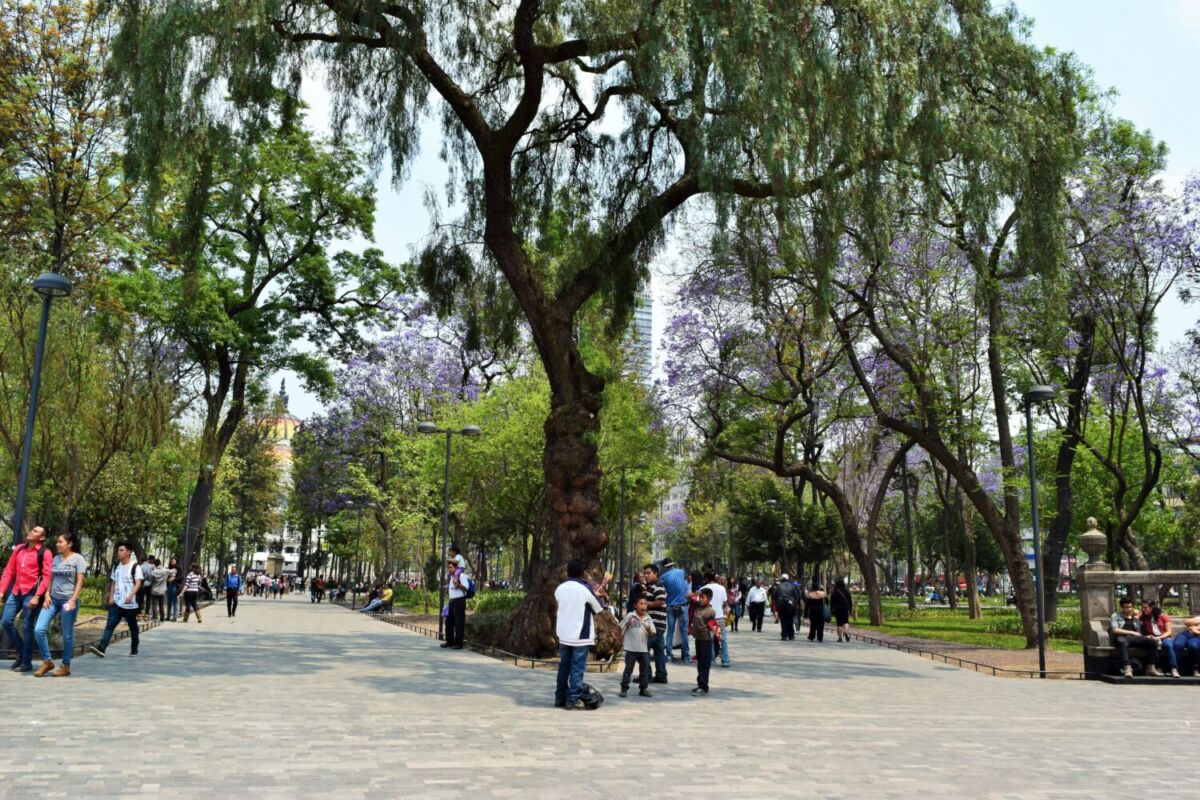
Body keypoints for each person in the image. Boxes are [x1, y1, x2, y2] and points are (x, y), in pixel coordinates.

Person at [32, 532, 87, 677]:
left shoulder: (78, 559)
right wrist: (46, 594)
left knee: (67, 634)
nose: (57, 544)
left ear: (69, 544)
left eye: (60, 542)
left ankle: (65, 665)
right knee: (39, 629)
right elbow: (50, 578)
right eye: (57, 542)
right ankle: (47, 661)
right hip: (53, 600)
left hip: (68, 601)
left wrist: (73, 599)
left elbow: (80, 581)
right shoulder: (56, 558)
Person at [553, 559, 604, 710]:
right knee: (577, 668)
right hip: (581, 634)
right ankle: (572, 699)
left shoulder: (560, 588)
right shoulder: (584, 588)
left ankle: (560, 697)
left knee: (564, 666)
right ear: (583, 573)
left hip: (564, 634)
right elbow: (598, 607)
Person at [1, 524, 53, 673]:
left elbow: (47, 576)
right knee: (6, 621)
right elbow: (9, 571)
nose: (31, 531)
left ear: (41, 537)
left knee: (27, 627)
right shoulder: (19, 549)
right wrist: (1, 591)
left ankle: (26, 662)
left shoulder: (45, 552)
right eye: (32, 529)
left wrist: (37, 596)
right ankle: (21, 651)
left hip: (31, 593)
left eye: (35, 531)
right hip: (16, 591)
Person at [89, 541, 142, 658]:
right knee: (110, 626)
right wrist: (111, 597)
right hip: (116, 603)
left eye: (121, 550)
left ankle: (134, 649)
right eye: (118, 550)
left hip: (130, 605)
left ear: (128, 552)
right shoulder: (116, 566)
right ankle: (101, 648)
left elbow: (138, 583)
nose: (118, 552)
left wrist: (131, 596)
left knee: (133, 628)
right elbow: (113, 582)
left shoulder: (135, 567)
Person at [1109, 596, 1159, 678]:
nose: (1129, 609)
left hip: (1135, 638)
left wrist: (1146, 637)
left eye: (1130, 607)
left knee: (1152, 642)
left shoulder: (1135, 617)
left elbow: (1139, 632)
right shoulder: (1116, 615)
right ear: (1121, 607)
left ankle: (1150, 668)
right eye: (1126, 607)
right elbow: (1115, 630)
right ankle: (1127, 668)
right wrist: (1131, 632)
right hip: (1122, 637)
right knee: (1122, 642)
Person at [618, 594, 656, 698]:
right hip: (631, 648)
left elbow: (652, 634)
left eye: (645, 604)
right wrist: (620, 640)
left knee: (644, 671)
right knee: (628, 670)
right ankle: (624, 688)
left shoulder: (648, 618)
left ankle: (643, 689)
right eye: (641, 603)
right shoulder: (630, 616)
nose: (643, 606)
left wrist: (649, 631)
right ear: (635, 605)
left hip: (643, 649)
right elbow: (620, 627)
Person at [639, 564, 669, 684]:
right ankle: (661, 675)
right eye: (645, 573)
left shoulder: (658, 586)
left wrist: (646, 604)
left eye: (648, 573)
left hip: (654, 624)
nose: (646, 575)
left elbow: (661, 601)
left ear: (656, 573)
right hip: (656, 624)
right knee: (659, 651)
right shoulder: (649, 587)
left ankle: (646, 675)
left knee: (642, 648)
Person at [659, 558, 691, 664]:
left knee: (670, 632)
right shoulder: (681, 572)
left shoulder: (663, 577)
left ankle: (669, 655)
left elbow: (663, 591)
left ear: (664, 567)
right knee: (684, 632)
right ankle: (686, 656)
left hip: (671, 606)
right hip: (682, 605)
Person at [1141, 598, 1180, 678]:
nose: (1143, 609)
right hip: (1152, 638)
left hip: (1164, 637)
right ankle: (1157, 667)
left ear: (1151, 608)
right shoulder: (1144, 616)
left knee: (1168, 645)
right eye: (1143, 607)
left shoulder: (1163, 616)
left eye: (1145, 607)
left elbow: (1169, 632)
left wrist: (1159, 637)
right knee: (1152, 645)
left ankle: (1174, 669)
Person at [690, 587, 717, 696]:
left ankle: (704, 687)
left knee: (704, 665)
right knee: (700, 663)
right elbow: (687, 597)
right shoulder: (698, 606)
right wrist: (696, 593)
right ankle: (700, 684)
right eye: (700, 597)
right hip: (698, 639)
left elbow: (713, 628)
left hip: (706, 641)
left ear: (709, 599)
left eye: (703, 597)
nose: (700, 599)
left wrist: (714, 638)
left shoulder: (710, 611)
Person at [701, 571, 731, 667]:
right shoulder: (721, 588)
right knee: (722, 639)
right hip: (719, 618)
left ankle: (711, 659)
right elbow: (725, 603)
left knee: (710, 640)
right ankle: (725, 660)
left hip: (709, 619)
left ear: (706, 579)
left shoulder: (703, 589)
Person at [442, 558, 470, 649]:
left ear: (455, 568)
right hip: (452, 602)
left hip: (459, 602)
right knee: (449, 622)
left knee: (459, 623)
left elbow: (466, 588)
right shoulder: (452, 577)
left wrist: (457, 584)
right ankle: (449, 642)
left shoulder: (461, 576)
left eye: (450, 567)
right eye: (448, 568)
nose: (449, 569)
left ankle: (459, 643)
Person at [773, 574, 798, 640]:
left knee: (783, 621)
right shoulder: (792, 586)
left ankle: (784, 636)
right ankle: (791, 635)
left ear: (782, 579)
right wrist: (794, 605)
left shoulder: (778, 586)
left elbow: (775, 596)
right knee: (790, 621)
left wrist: (776, 605)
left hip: (781, 606)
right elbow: (796, 597)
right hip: (790, 606)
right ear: (787, 579)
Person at [831, 577, 853, 642]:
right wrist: (850, 609)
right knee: (846, 621)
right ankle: (845, 632)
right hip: (845, 608)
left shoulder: (834, 592)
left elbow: (832, 602)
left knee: (839, 623)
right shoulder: (847, 591)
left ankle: (840, 638)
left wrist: (831, 609)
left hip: (837, 609)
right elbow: (850, 601)